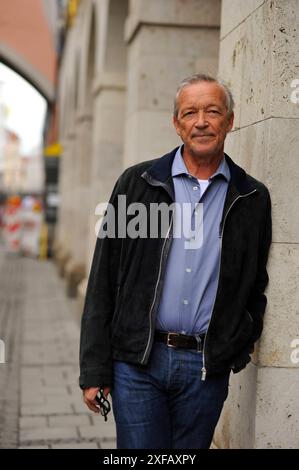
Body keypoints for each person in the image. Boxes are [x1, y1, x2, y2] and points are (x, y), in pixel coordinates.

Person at [79, 73, 272, 449]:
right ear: (177, 124)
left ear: (229, 121)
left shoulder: (251, 197)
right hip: (138, 364)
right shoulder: (139, 184)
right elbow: (103, 278)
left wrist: (239, 338)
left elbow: (254, 283)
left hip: (205, 367)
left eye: (213, 111)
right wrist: (94, 368)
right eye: (190, 112)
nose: (201, 121)